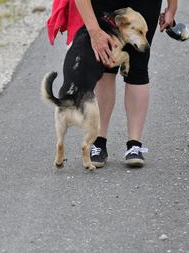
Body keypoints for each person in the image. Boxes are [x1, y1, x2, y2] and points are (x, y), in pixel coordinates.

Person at [75, 0, 178, 168]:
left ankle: (134, 145)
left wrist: (172, 7)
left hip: (145, 5)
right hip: (104, 4)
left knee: (138, 67)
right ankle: (98, 142)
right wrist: (94, 31)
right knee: (105, 65)